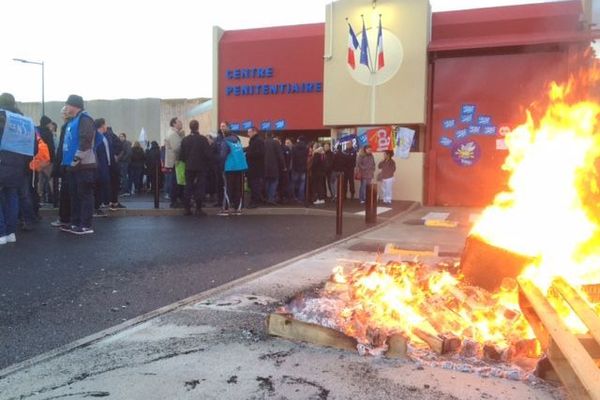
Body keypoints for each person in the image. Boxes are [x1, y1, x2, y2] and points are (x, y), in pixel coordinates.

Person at [60, 94, 96, 235]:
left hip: (83, 165)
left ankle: (86, 225)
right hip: (73, 165)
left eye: (68, 105)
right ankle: (75, 223)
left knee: (84, 195)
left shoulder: (84, 119)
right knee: (74, 195)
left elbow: (85, 141)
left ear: (75, 106)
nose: (66, 108)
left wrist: (76, 159)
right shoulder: (74, 120)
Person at [0, 93, 34, 245]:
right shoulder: (25, 121)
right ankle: (10, 232)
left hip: (2, 162)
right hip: (19, 166)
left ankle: (1, 233)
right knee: (12, 197)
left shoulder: (1, 117)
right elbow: (34, 146)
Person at [179, 120, 211, 216]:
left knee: (188, 187)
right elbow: (208, 154)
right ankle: (198, 208)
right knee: (200, 187)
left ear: (190, 128)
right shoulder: (203, 139)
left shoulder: (185, 140)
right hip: (201, 167)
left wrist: (188, 161)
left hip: (188, 167)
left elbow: (181, 156)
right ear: (198, 127)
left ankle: (187, 209)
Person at [50, 106, 71, 228]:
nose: (62, 114)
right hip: (70, 164)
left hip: (65, 164)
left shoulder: (66, 127)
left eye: (63, 112)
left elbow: (62, 148)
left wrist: (58, 165)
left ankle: (64, 218)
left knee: (65, 193)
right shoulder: (72, 125)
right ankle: (69, 217)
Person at [219, 129, 248, 216]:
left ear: (224, 134)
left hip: (230, 167)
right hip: (240, 167)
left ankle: (226, 209)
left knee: (228, 188)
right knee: (238, 188)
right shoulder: (237, 141)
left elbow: (223, 155)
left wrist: (221, 166)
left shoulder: (225, 141)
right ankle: (238, 208)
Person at [165, 117, 185, 207]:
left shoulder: (174, 133)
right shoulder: (173, 134)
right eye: (179, 122)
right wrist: (183, 138)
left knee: (176, 181)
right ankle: (175, 201)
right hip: (176, 162)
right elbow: (177, 148)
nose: (181, 123)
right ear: (174, 124)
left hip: (174, 161)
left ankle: (176, 199)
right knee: (176, 182)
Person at [93, 118, 111, 217]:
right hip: (100, 166)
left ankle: (98, 206)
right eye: (105, 124)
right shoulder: (98, 137)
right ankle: (96, 208)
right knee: (98, 187)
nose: (106, 127)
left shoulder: (102, 137)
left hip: (102, 165)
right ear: (102, 125)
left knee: (99, 187)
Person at [244, 127, 265, 208]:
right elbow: (250, 149)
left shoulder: (258, 141)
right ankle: (253, 201)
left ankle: (255, 202)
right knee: (252, 185)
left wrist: (248, 154)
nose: (248, 133)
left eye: (249, 132)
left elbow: (260, 153)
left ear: (254, 132)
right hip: (252, 167)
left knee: (255, 185)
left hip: (255, 168)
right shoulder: (253, 140)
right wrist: (244, 150)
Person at [263, 132, 284, 205]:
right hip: (274, 166)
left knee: (267, 182)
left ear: (266, 135)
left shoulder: (263, 143)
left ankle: (267, 197)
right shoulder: (276, 143)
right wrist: (283, 166)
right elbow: (280, 156)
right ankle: (271, 198)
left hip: (265, 166)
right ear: (272, 136)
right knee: (274, 182)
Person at [290, 135, 309, 203]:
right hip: (303, 168)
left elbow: (292, 158)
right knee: (302, 184)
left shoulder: (294, 147)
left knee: (293, 183)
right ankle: (301, 198)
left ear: (298, 139)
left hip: (295, 168)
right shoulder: (306, 147)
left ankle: (293, 197)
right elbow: (307, 158)